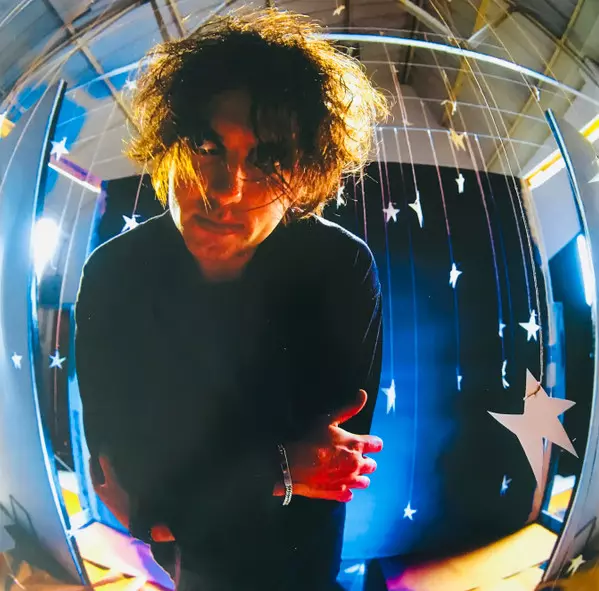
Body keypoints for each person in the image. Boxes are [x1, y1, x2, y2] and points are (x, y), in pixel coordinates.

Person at [74, 8, 388, 591]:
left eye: (267, 159)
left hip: (301, 558)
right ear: (170, 148)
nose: (225, 190)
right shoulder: (113, 271)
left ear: (303, 177)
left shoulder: (340, 266)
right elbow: (120, 479)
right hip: (191, 561)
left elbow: (332, 464)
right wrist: (280, 466)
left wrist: (178, 494)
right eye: (206, 145)